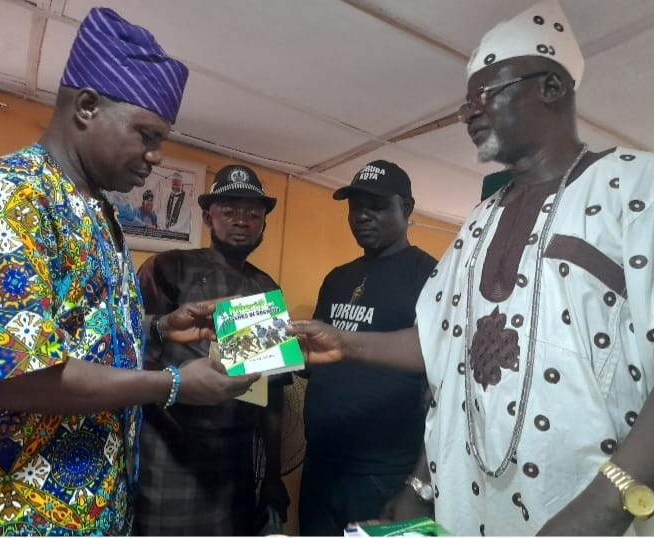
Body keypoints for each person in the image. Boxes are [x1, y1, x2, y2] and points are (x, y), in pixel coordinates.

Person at [288, 1, 654, 535]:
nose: (469, 115)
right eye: (466, 104)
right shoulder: (480, 220)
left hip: (591, 511)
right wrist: (346, 345)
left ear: (551, 87)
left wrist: (608, 500)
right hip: (469, 510)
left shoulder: (636, 186)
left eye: (485, 95)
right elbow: (441, 350)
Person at [0, 8, 259, 535]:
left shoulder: (97, 213)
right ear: (87, 106)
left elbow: (78, 334)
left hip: (95, 508)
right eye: (146, 134)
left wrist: (160, 327)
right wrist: (173, 383)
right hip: (12, 514)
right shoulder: (3, 198)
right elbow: (11, 376)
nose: (157, 155)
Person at [135, 164, 291, 535]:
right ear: (208, 217)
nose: (242, 222)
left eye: (253, 214)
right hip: (166, 455)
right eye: (230, 211)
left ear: (264, 225)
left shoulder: (265, 290)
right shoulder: (169, 268)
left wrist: (272, 475)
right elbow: (130, 352)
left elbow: (270, 392)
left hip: (234, 464)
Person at [299, 160, 437, 536]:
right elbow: (313, 359)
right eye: (356, 207)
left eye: (377, 206)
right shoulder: (337, 278)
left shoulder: (431, 276)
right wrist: (249, 349)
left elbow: (440, 378)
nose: (363, 216)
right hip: (320, 463)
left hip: (384, 471)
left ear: (406, 208)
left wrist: (418, 484)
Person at [164, 171, 192, 236]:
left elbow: (183, 219)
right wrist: (163, 227)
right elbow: (163, 212)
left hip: (181, 233)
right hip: (167, 230)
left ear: (182, 184)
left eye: (177, 182)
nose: (175, 184)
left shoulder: (187, 198)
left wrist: (170, 229)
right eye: (173, 182)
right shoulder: (168, 195)